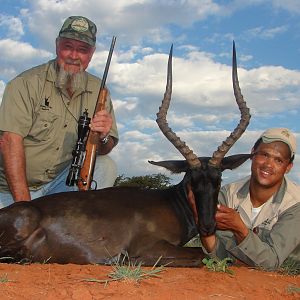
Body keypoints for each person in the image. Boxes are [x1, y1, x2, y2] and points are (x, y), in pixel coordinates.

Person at [0, 16, 119, 208]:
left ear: (92, 53)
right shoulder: (24, 84)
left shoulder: (100, 90)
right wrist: (24, 209)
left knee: (106, 165)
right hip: (11, 191)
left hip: (61, 185)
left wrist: (104, 137)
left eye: (82, 50)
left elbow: (106, 147)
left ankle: (78, 223)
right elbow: (9, 141)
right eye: (67, 46)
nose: (74, 55)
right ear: (57, 45)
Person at [201, 128, 300, 270]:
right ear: (252, 153)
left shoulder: (295, 203)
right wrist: (204, 226)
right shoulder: (228, 194)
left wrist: (240, 229)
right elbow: (222, 256)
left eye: (278, 160)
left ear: (288, 167)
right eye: (264, 155)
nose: (268, 165)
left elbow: (271, 262)